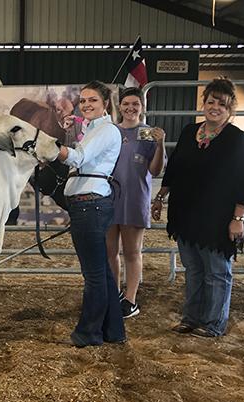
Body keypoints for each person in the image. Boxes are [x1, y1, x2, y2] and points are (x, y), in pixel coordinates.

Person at [151, 77, 244, 338]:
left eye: (222, 104)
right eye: (211, 102)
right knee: (194, 269)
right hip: (186, 213)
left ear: (230, 109)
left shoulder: (237, 140)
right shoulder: (190, 132)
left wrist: (238, 219)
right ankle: (191, 318)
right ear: (204, 103)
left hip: (219, 217)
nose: (215, 107)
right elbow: (175, 168)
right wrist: (160, 196)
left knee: (217, 271)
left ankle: (213, 323)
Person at [55, 80, 126, 347]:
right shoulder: (92, 129)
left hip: (90, 205)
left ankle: (89, 332)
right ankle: (113, 330)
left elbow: (78, 158)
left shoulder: (106, 130)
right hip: (88, 204)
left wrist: (49, 148)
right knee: (102, 272)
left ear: (105, 103)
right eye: (83, 101)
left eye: (92, 100)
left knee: (94, 275)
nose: (86, 105)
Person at [106, 87, 167, 319]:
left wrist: (160, 145)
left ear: (142, 107)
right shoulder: (111, 132)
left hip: (134, 198)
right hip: (109, 197)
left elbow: (155, 170)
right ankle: (114, 294)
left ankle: (130, 299)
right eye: (126, 104)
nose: (130, 108)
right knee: (110, 251)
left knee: (132, 252)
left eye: (135, 104)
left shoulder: (148, 134)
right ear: (119, 106)